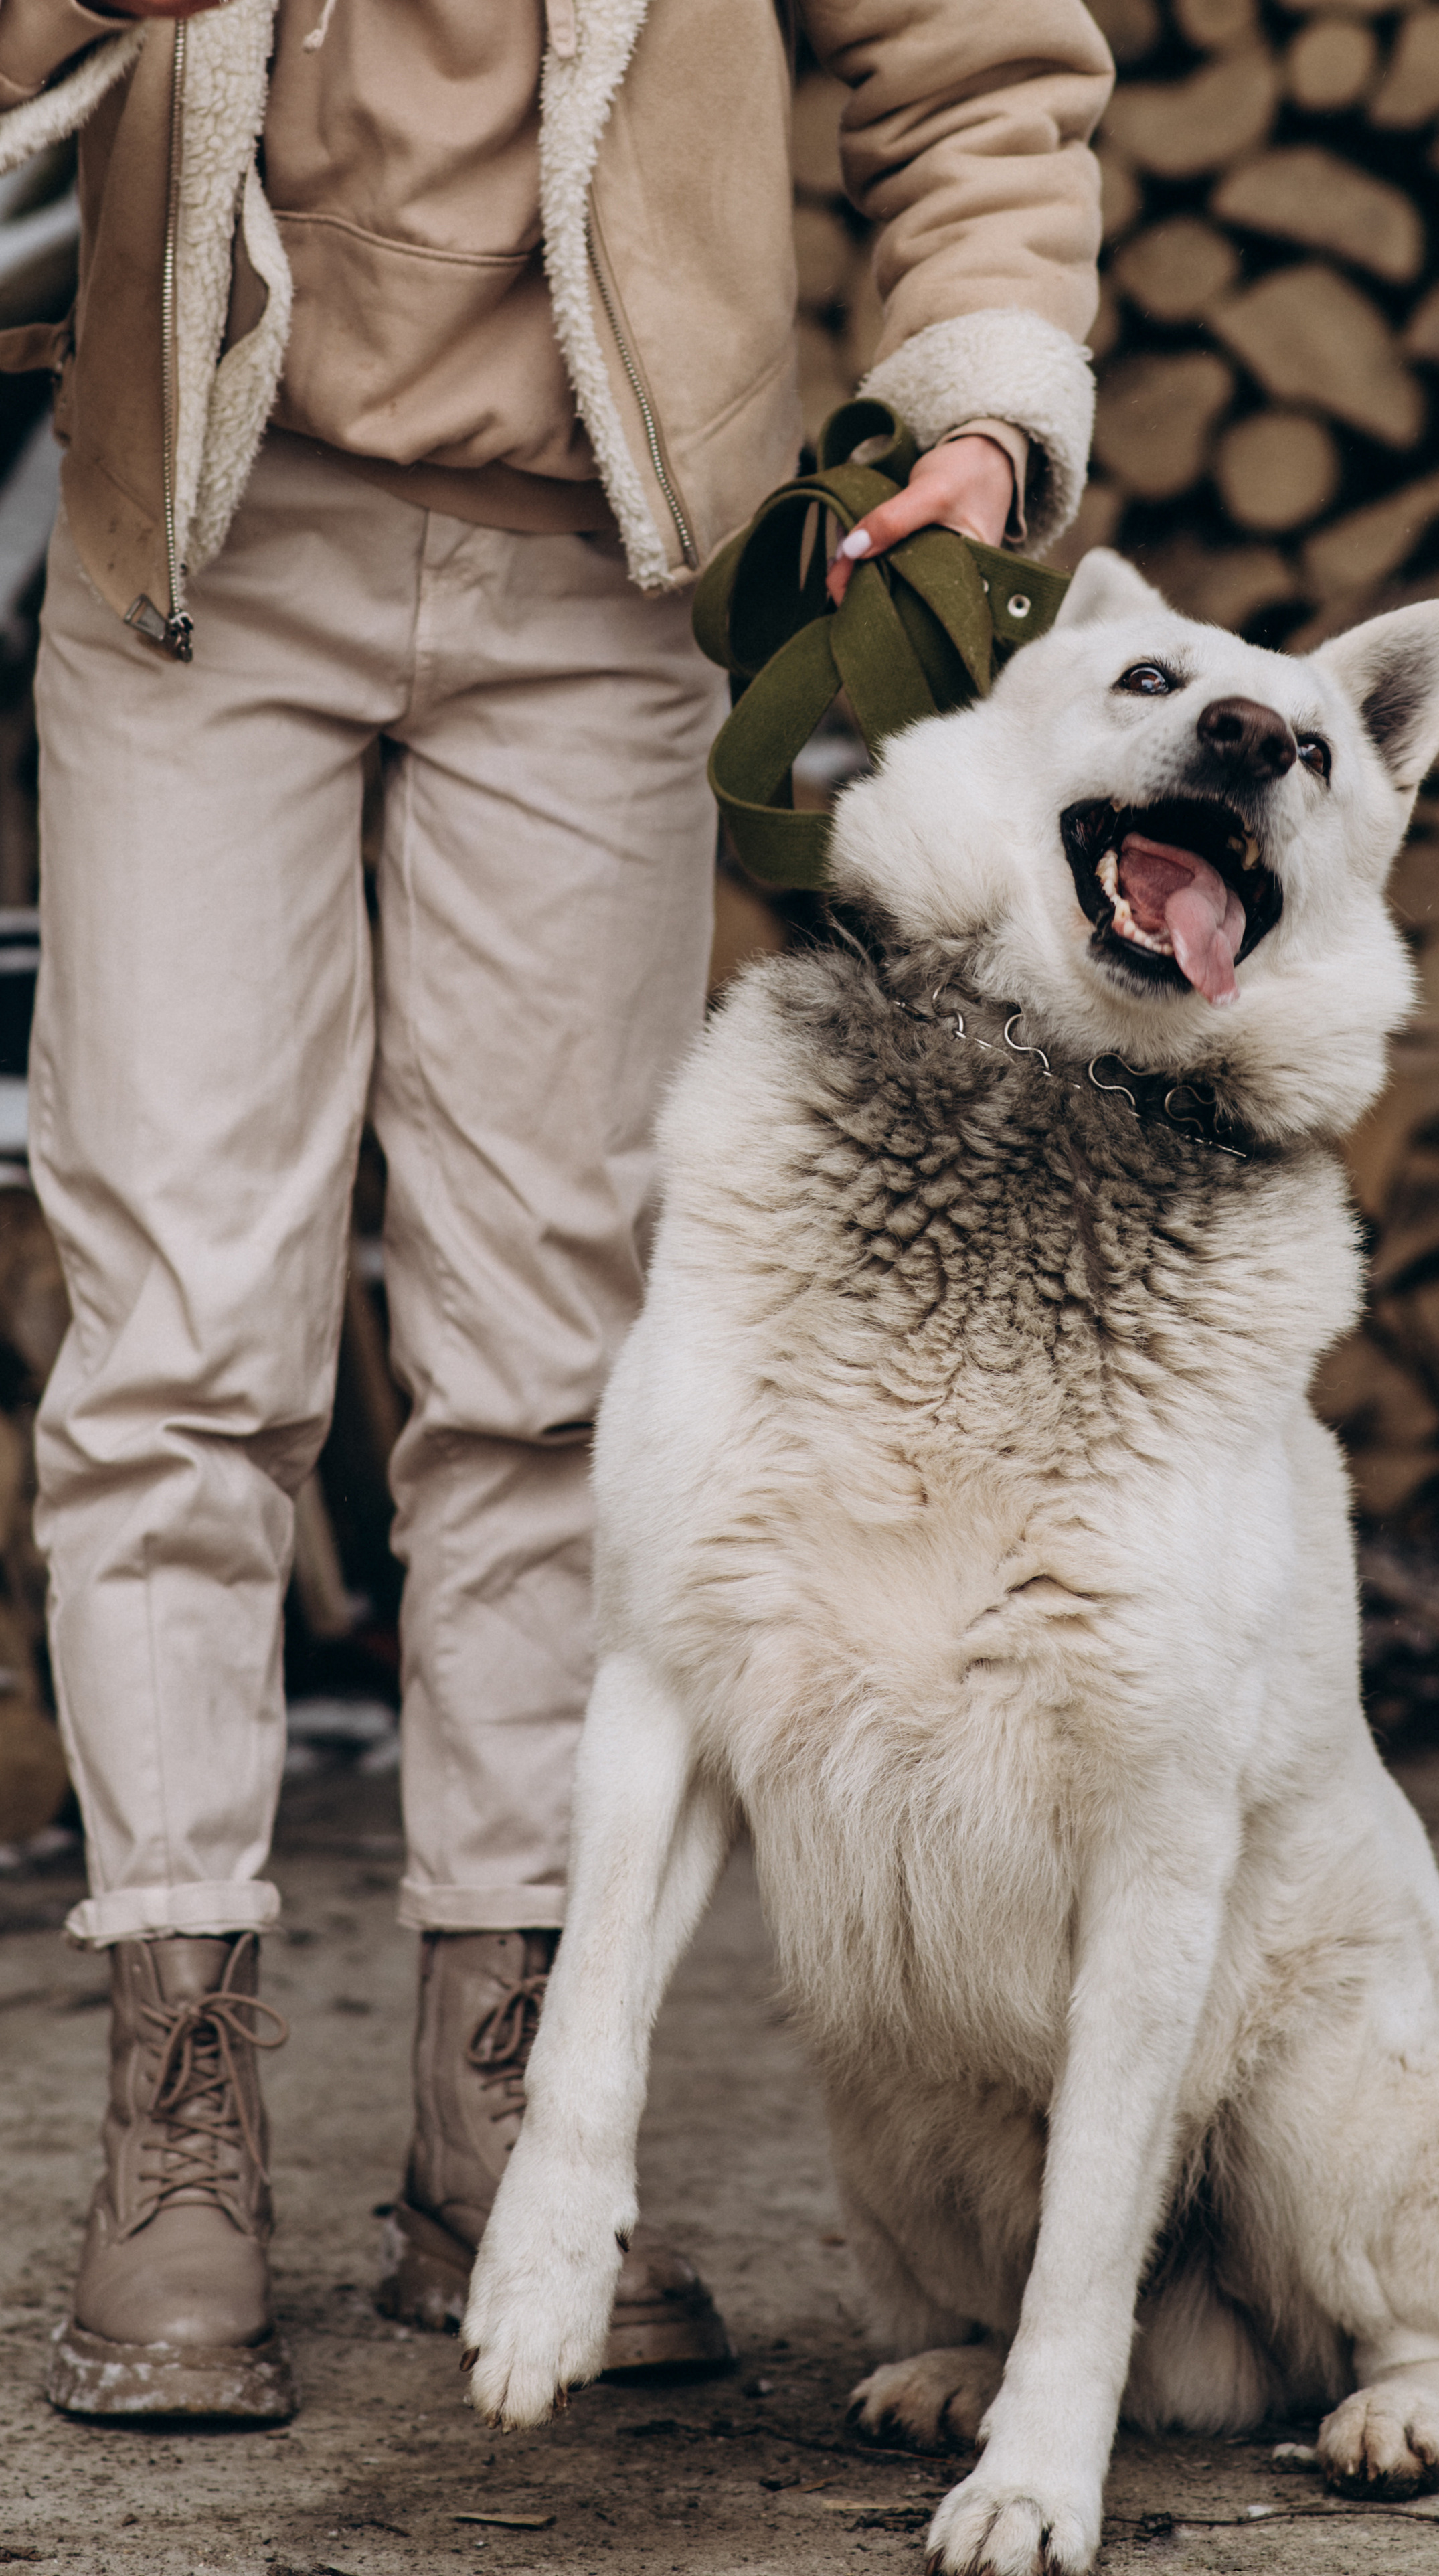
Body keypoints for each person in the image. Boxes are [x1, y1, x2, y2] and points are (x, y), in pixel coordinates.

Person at [0, 0, 1111, 2419]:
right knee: (179, 1342)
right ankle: (173, 2100)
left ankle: (502, 2092)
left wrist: (988, 411)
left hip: (617, 579)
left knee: (550, 1364)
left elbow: (983, 60)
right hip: (195, 548)